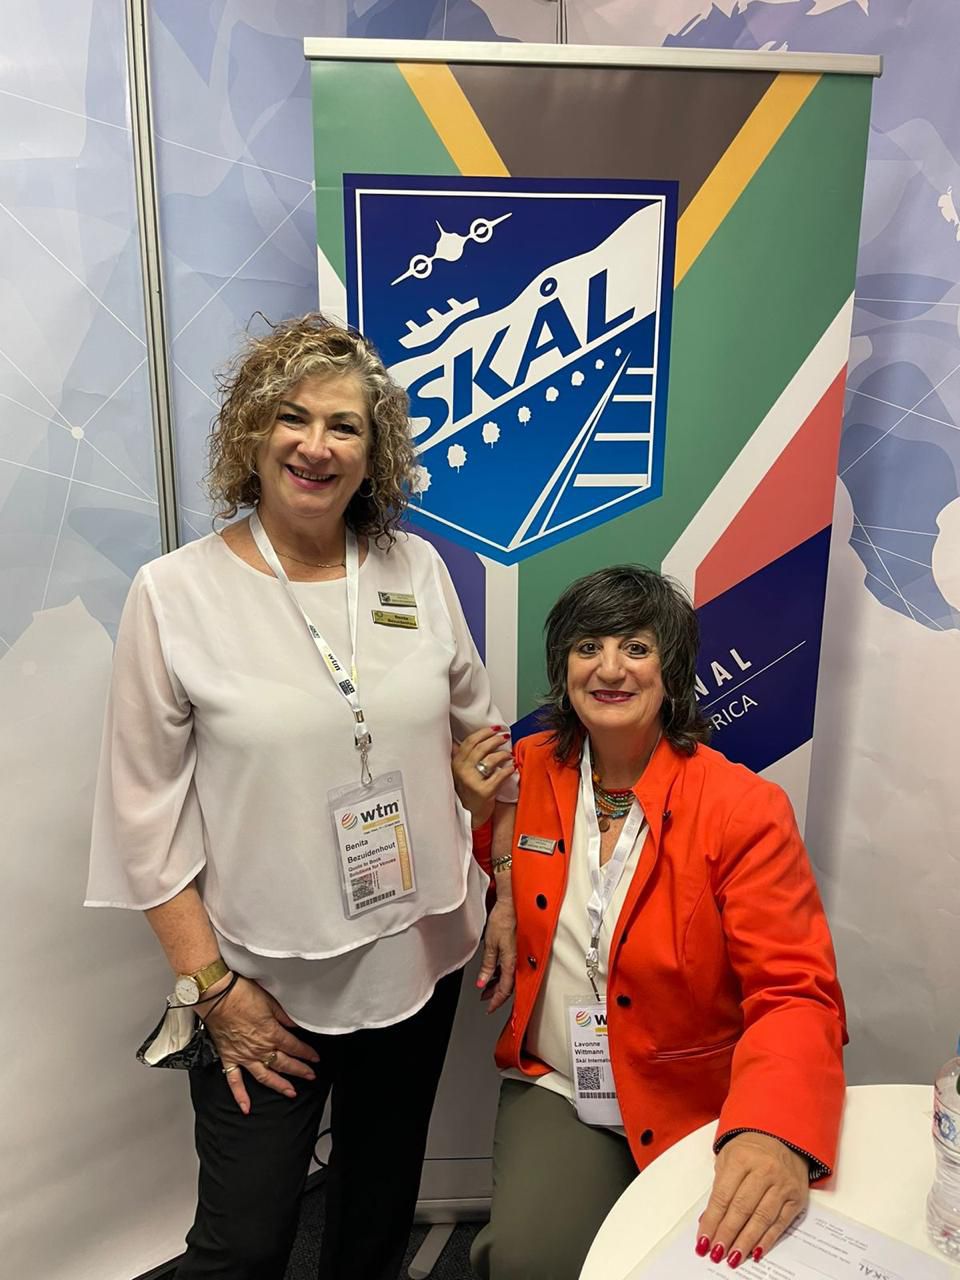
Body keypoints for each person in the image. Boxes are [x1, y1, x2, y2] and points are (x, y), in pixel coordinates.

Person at [86, 314, 518, 1280]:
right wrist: (213, 989)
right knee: (242, 1243)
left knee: (373, 1215)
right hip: (261, 985)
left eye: (345, 426)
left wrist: (485, 842)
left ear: (375, 452)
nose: (316, 446)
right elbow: (141, 815)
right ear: (253, 430)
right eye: (293, 417)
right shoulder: (173, 594)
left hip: (416, 958)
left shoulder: (415, 569)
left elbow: (479, 738)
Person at [455, 565, 846, 1280]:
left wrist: (770, 1130)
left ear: (672, 672)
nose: (610, 669)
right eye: (588, 647)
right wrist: (480, 823)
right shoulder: (522, 770)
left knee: (716, 1261)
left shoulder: (742, 809)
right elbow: (484, 866)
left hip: (696, 1097)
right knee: (528, 1261)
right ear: (563, 667)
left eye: (635, 648)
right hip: (564, 1086)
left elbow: (794, 991)